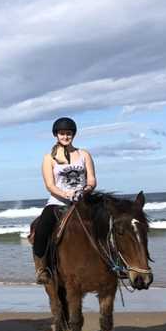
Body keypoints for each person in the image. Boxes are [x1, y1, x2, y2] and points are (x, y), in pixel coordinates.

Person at [32, 117, 97, 284]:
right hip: (57, 202)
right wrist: (68, 195)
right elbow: (50, 185)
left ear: (73, 135)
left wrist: (84, 191)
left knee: (111, 223)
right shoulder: (49, 158)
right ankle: (42, 268)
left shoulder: (84, 154)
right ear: (56, 135)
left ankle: (116, 264)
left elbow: (91, 181)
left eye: (68, 134)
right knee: (41, 229)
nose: (65, 136)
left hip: (83, 201)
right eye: (62, 133)